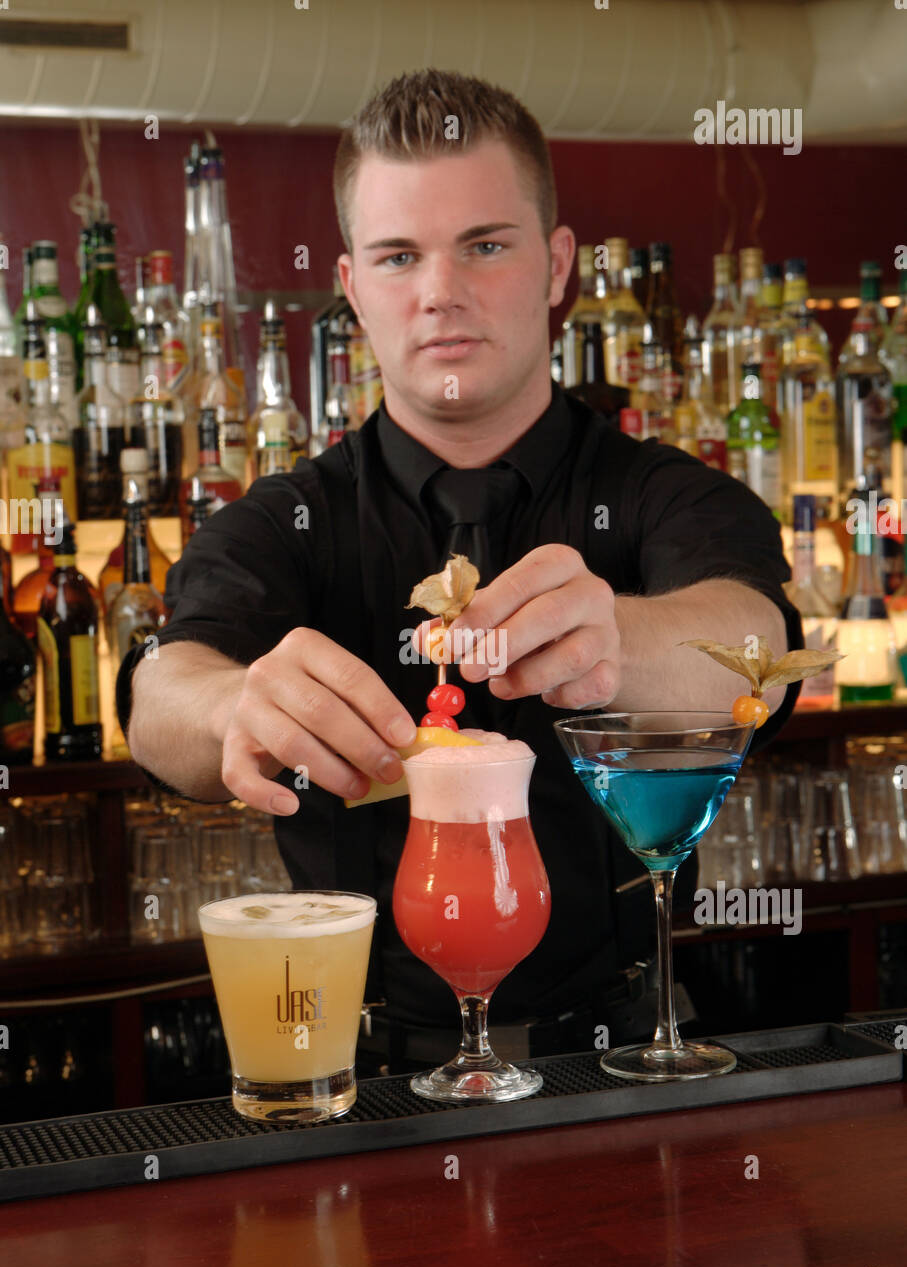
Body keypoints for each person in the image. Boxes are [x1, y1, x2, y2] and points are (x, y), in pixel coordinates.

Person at [118, 68, 803, 1070]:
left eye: (484, 245)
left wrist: (617, 636)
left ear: (557, 264)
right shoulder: (285, 521)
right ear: (352, 289)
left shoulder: (667, 495)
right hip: (354, 1075)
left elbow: (756, 642)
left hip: (621, 1061)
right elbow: (159, 700)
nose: (440, 292)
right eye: (399, 256)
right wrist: (234, 708)